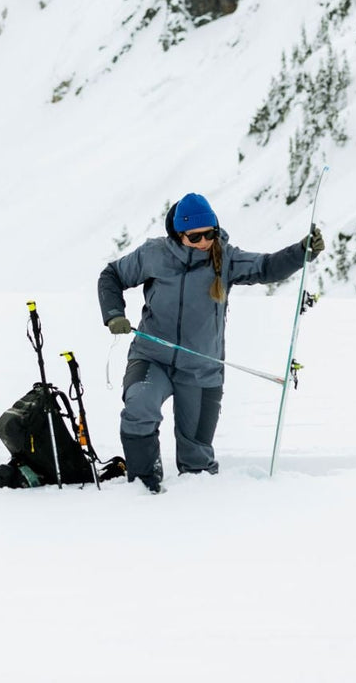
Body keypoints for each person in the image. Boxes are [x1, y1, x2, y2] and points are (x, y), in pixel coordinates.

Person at [97, 192, 323, 493]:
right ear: (179, 235)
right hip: (152, 358)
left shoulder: (226, 258)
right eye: (195, 237)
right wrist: (114, 314)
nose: (204, 241)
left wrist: (301, 252)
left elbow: (267, 267)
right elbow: (111, 275)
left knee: (197, 462)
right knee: (140, 405)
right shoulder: (154, 255)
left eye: (210, 234)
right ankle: (143, 486)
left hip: (202, 368)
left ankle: (200, 510)